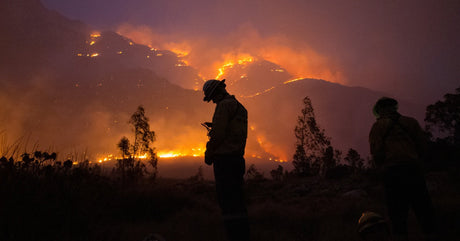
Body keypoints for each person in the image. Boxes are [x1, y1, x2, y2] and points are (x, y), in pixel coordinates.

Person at [369, 97, 437, 241]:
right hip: (413, 170)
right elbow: (423, 146)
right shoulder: (410, 122)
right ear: (395, 107)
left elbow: (377, 152)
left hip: (392, 172)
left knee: (397, 214)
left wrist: (381, 168)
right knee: (424, 210)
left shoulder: (378, 127)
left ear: (379, 110)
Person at [202, 79, 250, 241]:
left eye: (212, 98)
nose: (213, 101)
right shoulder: (240, 107)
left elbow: (218, 135)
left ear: (217, 93)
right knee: (237, 201)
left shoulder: (223, 106)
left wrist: (209, 153)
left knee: (227, 202)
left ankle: (232, 236)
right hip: (237, 159)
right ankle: (242, 235)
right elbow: (232, 131)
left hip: (224, 162)